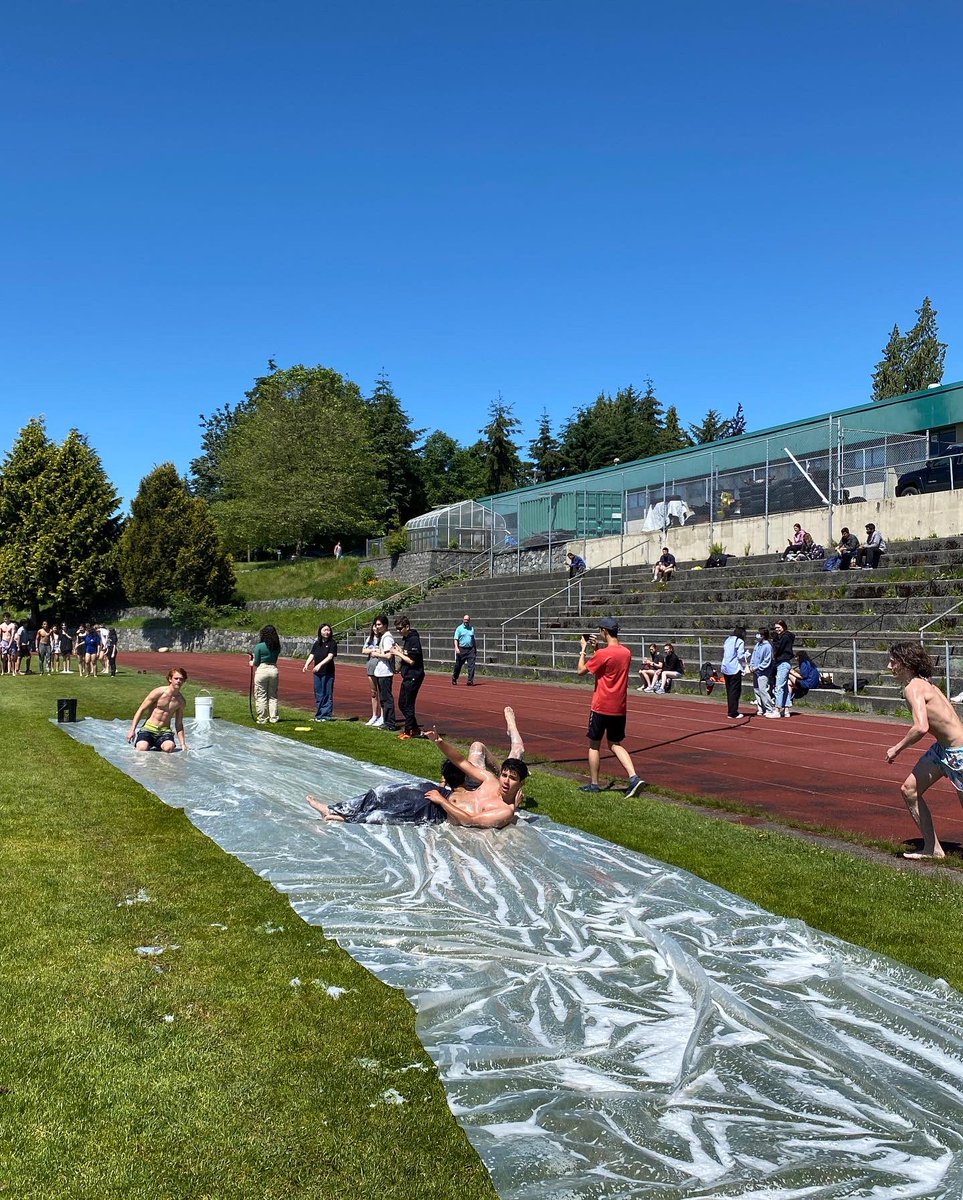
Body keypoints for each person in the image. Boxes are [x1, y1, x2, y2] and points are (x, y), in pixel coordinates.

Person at [307, 707, 528, 829]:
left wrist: (441, 801)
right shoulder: (491, 781)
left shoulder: (505, 811)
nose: (505, 781)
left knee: (384, 815)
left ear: (520, 783)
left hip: (438, 809)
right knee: (382, 792)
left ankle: (344, 817)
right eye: (505, 775)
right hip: (440, 793)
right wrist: (439, 742)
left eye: (511, 778)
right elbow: (461, 762)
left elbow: (469, 821)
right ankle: (335, 809)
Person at [885, 641, 963, 860]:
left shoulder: (913, 687)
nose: (889, 666)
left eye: (893, 662)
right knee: (909, 789)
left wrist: (896, 749)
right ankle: (933, 848)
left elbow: (921, 727)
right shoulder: (925, 683)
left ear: (906, 663)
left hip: (958, 753)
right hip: (943, 749)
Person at [577, 617, 645, 796]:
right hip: (619, 706)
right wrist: (597, 649)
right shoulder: (626, 653)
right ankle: (633, 776)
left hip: (601, 705)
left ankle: (594, 784)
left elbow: (581, 671)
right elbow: (609, 667)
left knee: (594, 745)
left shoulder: (602, 654)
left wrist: (584, 650)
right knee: (615, 743)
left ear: (604, 632)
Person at [127, 666, 189, 752]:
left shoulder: (181, 701)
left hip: (164, 731)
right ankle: (147, 743)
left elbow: (179, 724)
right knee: (142, 748)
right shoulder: (158, 692)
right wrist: (132, 730)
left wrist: (183, 744)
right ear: (170, 679)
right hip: (148, 729)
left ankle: (159, 744)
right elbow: (141, 710)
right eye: (176, 678)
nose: (178, 681)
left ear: (184, 681)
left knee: (169, 748)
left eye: (181, 679)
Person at [392, 615, 425, 739]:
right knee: (402, 703)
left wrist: (397, 653)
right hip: (407, 676)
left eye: (400, 629)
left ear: (407, 627)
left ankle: (408, 731)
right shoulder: (407, 638)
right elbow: (407, 654)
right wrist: (400, 650)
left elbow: (412, 661)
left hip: (414, 675)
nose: (399, 631)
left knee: (408, 704)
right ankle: (414, 728)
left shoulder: (414, 639)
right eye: (397, 629)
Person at [302, 623, 337, 721]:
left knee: (327, 693)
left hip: (327, 672)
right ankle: (319, 714)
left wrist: (319, 665)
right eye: (324, 630)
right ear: (320, 632)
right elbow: (312, 655)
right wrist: (306, 664)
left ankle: (326, 715)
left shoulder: (332, 643)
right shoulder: (317, 643)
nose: (327, 632)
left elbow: (330, 656)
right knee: (318, 693)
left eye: (328, 630)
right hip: (317, 673)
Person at [370, 614, 398, 731]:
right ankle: (387, 721)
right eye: (376, 625)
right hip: (381, 672)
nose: (377, 627)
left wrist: (376, 654)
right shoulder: (383, 637)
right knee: (384, 698)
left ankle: (390, 723)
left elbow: (388, 655)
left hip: (385, 672)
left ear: (385, 625)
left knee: (387, 698)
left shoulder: (387, 638)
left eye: (379, 625)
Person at [251, 624, 281, 725]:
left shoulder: (259, 646)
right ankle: (274, 717)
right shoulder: (277, 646)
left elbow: (257, 662)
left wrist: (252, 662)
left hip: (262, 670)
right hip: (273, 669)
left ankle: (263, 717)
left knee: (261, 695)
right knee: (273, 696)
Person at [720, 626, 749, 719]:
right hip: (734, 668)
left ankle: (731, 710)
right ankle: (733, 712)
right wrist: (746, 655)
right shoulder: (739, 641)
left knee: (729, 690)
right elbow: (740, 656)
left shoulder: (728, 639)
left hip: (725, 667)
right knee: (735, 690)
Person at [771, 619, 796, 718]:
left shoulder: (784, 637)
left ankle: (777, 709)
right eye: (776, 628)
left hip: (783, 662)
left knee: (779, 687)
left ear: (783, 626)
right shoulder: (786, 636)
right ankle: (786, 709)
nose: (777, 629)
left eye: (779, 627)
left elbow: (778, 648)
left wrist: (775, 640)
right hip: (784, 663)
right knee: (784, 687)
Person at [361, 621, 383, 726]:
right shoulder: (369, 639)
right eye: (374, 626)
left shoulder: (383, 638)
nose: (375, 628)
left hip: (381, 667)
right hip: (371, 666)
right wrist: (372, 650)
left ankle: (382, 716)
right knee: (373, 692)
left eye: (377, 626)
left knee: (382, 692)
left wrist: (375, 651)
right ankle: (374, 715)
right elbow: (363, 650)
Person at [751, 628, 777, 717]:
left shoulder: (767, 646)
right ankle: (761, 708)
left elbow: (767, 660)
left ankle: (769, 708)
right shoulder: (758, 645)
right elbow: (753, 656)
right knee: (756, 689)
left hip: (763, 671)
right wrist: (751, 666)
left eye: (759, 634)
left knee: (763, 690)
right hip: (755, 671)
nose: (758, 636)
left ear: (763, 635)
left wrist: (758, 667)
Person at [451, 613, 476, 686]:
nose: (466, 621)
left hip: (470, 649)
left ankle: (470, 680)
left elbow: (473, 639)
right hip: (462, 649)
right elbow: (456, 639)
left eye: (467, 620)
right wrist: (456, 648)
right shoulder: (459, 628)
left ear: (469, 620)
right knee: (458, 665)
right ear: (463, 620)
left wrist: (475, 649)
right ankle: (454, 677)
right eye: (465, 620)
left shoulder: (471, 628)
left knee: (472, 666)